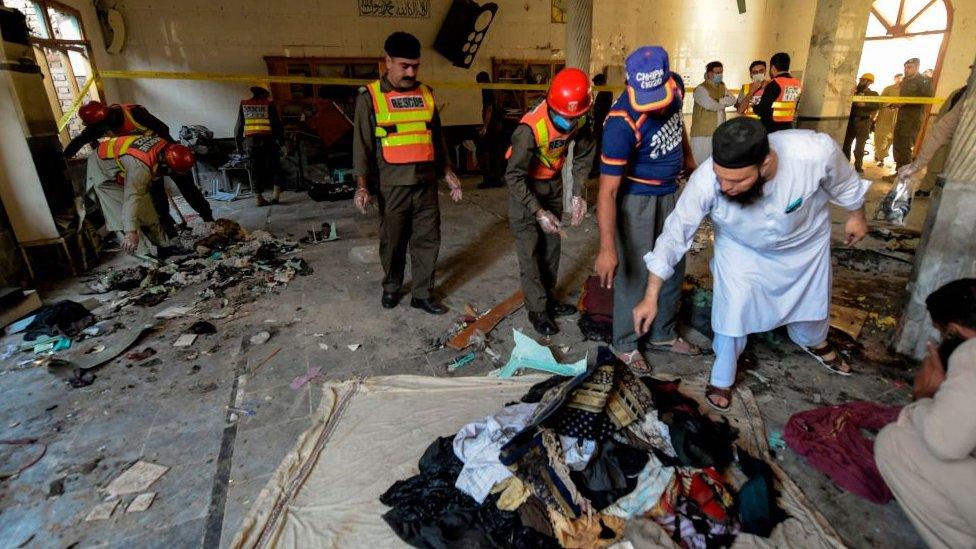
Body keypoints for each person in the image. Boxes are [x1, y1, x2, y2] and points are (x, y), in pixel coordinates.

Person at [632, 117, 870, 410]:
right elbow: (674, 234)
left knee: (812, 302)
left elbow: (845, 182)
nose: (725, 187)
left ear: (766, 163)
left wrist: (857, 215)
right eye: (721, 178)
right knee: (734, 309)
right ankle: (723, 373)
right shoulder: (707, 180)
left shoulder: (815, 151)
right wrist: (650, 295)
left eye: (737, 180)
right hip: (740, 248)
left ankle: (814, 341)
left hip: (804, 245)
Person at [594, 46, 700, 372]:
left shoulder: (676, 88)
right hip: (636, 201)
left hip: (670, 193)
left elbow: (677, 123)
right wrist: (607, 248)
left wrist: (688, 159)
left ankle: (662, 333)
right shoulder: (619, 123)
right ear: (630, 84)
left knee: (671, 264)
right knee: (635, 273)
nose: (655, 105)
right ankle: (625, 342)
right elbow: (607, 192)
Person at [352, 31, 462, 315]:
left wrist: (447, 171)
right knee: (393, 240)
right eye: (404, 65)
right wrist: (362, 186)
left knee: (427, 239)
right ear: (387, 61)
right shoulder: (370, 97)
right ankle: (392, 287)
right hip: (392, 185)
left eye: (416, 65)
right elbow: (361, 145)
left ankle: (422, 293)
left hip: (425, 183)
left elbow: (436, 137)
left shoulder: (426, 94)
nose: (411, 72)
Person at [875, 279, 976, 549]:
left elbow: (945, 442)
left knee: (894, 442)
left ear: (953, 331)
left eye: (942, 335)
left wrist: (923, 398)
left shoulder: (971, 352)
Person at [504, 68, 594, 335]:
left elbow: (584, 153)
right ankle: (537, 310)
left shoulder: (579, 117)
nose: (570, 123)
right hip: (525, 191)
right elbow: (513, 177)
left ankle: (549, 300)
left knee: (551, 249)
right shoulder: (529, 129)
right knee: (530, 253)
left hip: (552, 184)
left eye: (575, 117)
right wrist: (537, 211)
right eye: (565, 117)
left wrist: (578, 192)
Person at [69, 101, 214, 228]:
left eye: (98, 128)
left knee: (188, 187)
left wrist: (164, 154)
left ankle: (208, 218)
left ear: (104, 119)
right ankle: (169, 231)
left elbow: (163, 129)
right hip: (147, 162)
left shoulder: (134, 113)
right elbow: (81, 140)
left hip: (169, 155)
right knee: (157, 198)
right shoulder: (99, 125)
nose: (99, 132)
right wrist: (64, 157)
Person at [86, 135, 196, 256]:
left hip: (123, 166)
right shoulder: (140, 166)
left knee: (148, 213)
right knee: (122, 217)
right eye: (171, 171)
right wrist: (131, 231)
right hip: (103, 172)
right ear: (165, 163)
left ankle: (164, 248)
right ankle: (145, 258)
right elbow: (131, 198)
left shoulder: (164, 147)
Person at [899, 83, 968, 196]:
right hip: (952, 142)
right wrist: (915, 166)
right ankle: (927, 188)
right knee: (937, 163)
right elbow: (942, 129)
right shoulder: (962, 94)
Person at [235, 84, 286, 206]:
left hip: (251, 143)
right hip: (269, 141)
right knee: (276, 167)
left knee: (255, 170)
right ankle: (276, 196)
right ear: (264, 94)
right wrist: (283, 144)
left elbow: (239, 127)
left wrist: (239, 146)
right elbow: (277, 126)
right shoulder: (269, 104)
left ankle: (258, 197)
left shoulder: (244, 104)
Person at [891, 57, 933, 175]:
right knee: (897, 145)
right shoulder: (905, 81)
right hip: (901, 118)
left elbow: (926, 98)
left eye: (909, 67)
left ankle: (904, 175)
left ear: (917, 67)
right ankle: (898, 173)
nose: (906, 70)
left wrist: (905, 102)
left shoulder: (925, 80)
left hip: (912, 119)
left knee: (905, 147)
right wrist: (897, 104)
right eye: (905, 67)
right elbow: (903, 99)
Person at [690, 61, 737, 164]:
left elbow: (733, 100)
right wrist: (722, 102)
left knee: (714, 163)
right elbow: (710, 105)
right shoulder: (701, 89)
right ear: (710, 74)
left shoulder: (722, 87)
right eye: (717, 72)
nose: (720, 75)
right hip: (702, 133)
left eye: (721, 72)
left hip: (718, 132)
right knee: (699, 163)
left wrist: (718, 101)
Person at [753, 52, 802, 134]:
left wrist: (754, 107)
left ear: (773, 68)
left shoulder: (775, 83)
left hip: (771, 127)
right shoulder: (797, 83)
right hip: (788, 126)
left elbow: (763, 109)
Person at [842, 73, 880, 173]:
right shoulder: (854, 91)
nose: (861, 81)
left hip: (864, 121)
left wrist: (864, 105)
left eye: (864, 80)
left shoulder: (873, 94)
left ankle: (858, 166)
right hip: (851, 121)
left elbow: (876, 107)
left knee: (860, 146)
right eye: (861, 79)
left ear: (870, 82)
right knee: (846, 144)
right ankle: (845, 164)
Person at [476, 71, 505, 189]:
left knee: (484, 152)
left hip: (491, 126)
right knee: (495, 153)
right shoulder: (493, 88)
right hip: (496, 125)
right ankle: (496, 179)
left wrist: (485, 127)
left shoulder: (486, 89)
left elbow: (489, 108)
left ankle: (489, 180)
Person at [873, 73, 902, 167]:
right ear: (895, 78)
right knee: (880, 137)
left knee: (890, 139)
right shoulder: (888, 88)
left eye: (901, 78)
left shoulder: (905, 91)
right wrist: (874, 115)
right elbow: (880, 102)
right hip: (885, 116)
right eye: (898, 77)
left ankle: (880, 156)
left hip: (897, 118)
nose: (900, 79)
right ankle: (879, 157)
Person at [589, 73, 614, 178]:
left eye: (595, 82)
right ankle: (596, 169)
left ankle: (596, 170)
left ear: (600, 82)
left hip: (600, 124)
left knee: (598, 147)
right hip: (600, 123)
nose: (594, 84)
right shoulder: (606, 91)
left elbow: (600, 109)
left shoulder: (605, 92)